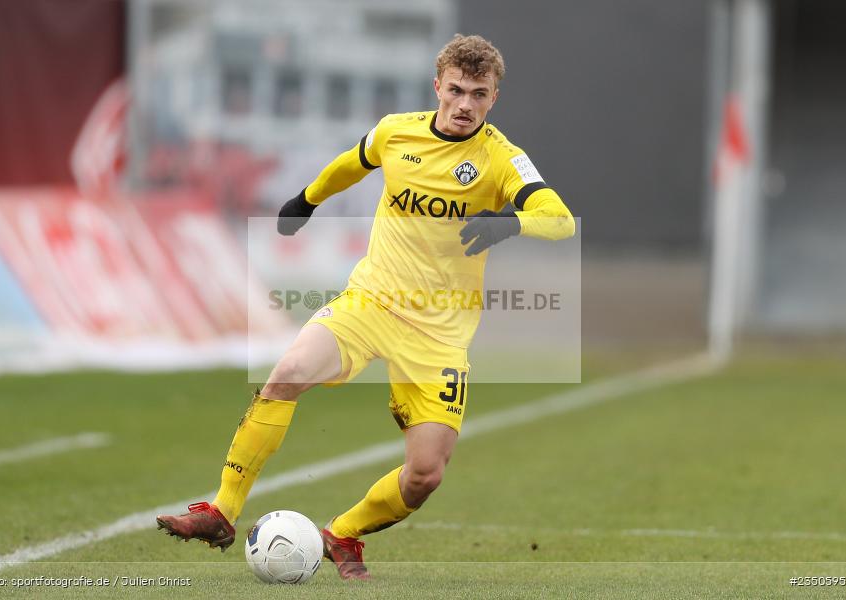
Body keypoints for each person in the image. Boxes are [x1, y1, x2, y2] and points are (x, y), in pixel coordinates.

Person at [156, 33, 575, 580]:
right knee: (286, 373)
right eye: (456, 90)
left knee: (424, 475)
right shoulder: (396, 131)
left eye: (479, 94)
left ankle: (343, 532)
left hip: (439, 335)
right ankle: (222, 510)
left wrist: (510, 222)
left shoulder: (501, 158)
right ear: (437, 86)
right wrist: (307, 199)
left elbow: (559, 219)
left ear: (494, 97)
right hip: (371, 301)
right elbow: (353, 163)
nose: (465, 104)